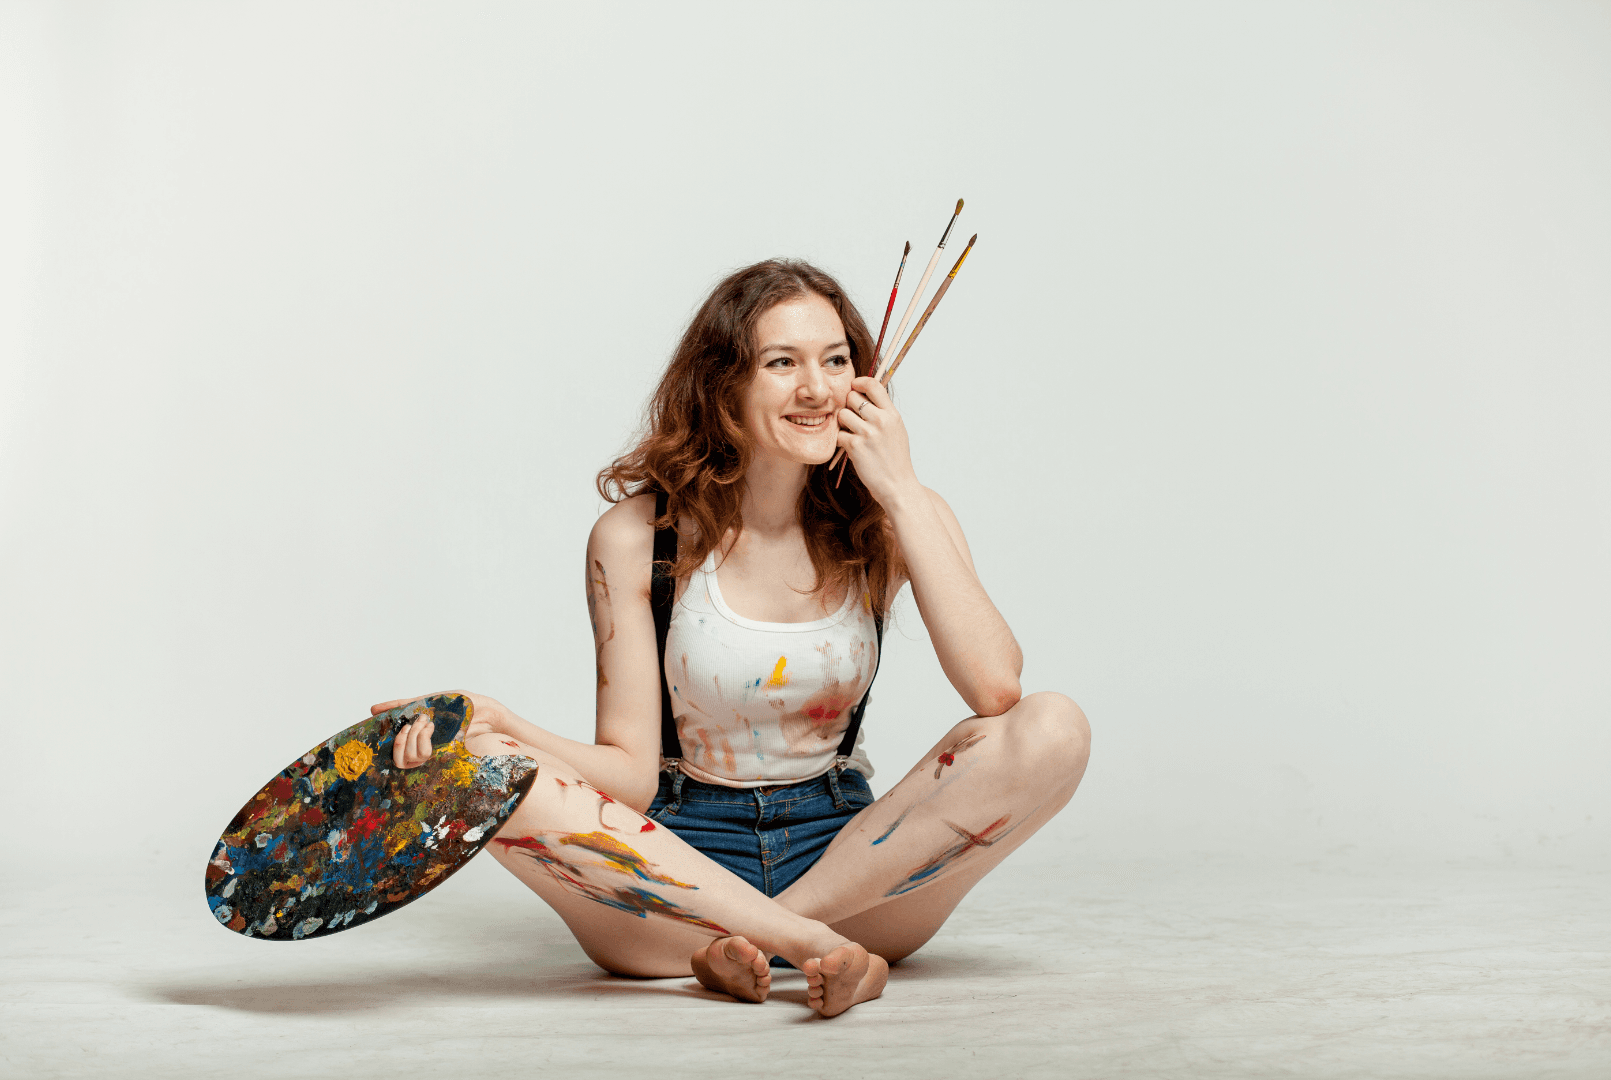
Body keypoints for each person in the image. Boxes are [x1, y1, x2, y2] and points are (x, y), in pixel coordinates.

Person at [372, 259, 1090, 1017]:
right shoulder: (633, 538)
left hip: (853, 871)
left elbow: (995, 690)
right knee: (478, 760)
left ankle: (772, 939)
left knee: (1054, 725)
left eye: (836, 360)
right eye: (782, 363)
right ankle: (813, 947)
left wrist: (902, 489)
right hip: (673, 876)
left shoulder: (898, 514)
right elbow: (629, 778)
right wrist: (506, 725)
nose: (816, 389)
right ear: (725, 388)